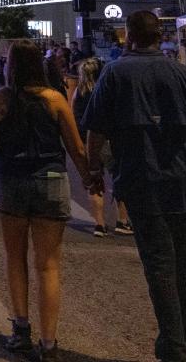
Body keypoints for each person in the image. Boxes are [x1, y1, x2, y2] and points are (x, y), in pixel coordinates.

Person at [80, 10, 186, 362]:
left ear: (128, 37)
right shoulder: (181, 73)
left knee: (159, 263)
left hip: (139, 177)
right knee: (183, 262)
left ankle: (174, 346)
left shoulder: (115, 73)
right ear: (159, 36)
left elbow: (96, 130)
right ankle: (185, 339)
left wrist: (93, 171)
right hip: (182, 178)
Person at [0, 40, 91, 361]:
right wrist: (90, 178)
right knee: (48, 264)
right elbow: (76, 148)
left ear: (9, 66)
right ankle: (49, 342)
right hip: (50, 181)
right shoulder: (55, 100)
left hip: (10, 180)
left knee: (15, 257)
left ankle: (21, 329)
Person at [71, 56, 131, 237]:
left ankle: (99, 224)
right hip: (109, 140)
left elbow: (74, 116)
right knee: (120, 179)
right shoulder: (107, 91)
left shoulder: (78, 92)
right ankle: (122, 221)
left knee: (95, 182)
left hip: (86, 141)